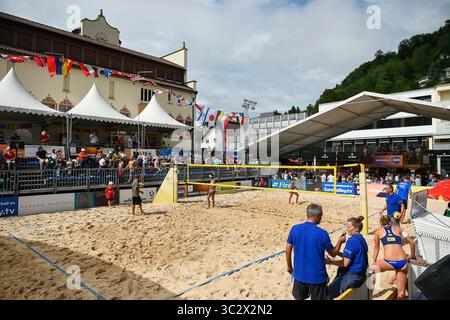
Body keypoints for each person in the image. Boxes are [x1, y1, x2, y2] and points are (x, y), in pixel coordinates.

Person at [286, 204, 346, 300]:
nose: (321, 218)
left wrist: (289, 266)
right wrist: (340, 242)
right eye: (321, 216)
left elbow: (288, 249)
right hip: (317, 277)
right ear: (317, 216)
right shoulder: (322, 233)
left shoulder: (295, 228)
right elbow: (333, 253)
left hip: (299, 274)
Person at [370, 215, 416, 300]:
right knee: (401, 294)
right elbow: (412, 242)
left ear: (381, 224)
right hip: (403, 262)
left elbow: (376, 248)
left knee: (371, 270)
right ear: (391, 222)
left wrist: (374, 261)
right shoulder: (399, 229)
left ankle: (369, 296)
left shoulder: (378, 232)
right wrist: (412, 256)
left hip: (389, 262)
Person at [327, 216, 369, 299]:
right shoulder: (362, 239)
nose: (347, 229)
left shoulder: (352, 241)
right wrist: (338, 253)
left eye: (349, 227)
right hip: (361, 274)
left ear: (356, 228)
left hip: (353, 276)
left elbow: (345, 263)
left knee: (327, 294)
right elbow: (355, 255)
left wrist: (331, 262)